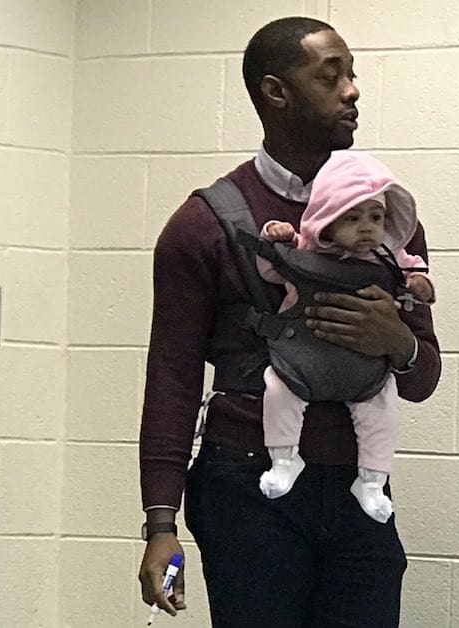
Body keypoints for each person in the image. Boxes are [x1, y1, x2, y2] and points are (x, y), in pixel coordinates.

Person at [135, 16, 441, 627]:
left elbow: (423, 377)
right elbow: (171, 378)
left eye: (352, 75)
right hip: (245, 489)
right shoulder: (204, 224)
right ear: (276, 92)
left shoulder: (385, 222)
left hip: (360, 489)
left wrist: (398, 342)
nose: (353, 90)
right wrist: (160, 525)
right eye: (332, 76)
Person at [256, 150, 436, 526]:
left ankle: (372, 480)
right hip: (304, 360)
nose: (367, 228)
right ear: (327, 219)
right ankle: (284, 459)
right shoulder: (304, 251)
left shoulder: (390, 257)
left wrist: (420, 285)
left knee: (382, 406)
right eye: (352, 218)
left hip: (365, 373)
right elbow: (271, 268)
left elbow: (414, 272)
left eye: (376, 216)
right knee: (277, 388)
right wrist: (276, 235)